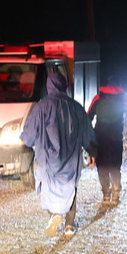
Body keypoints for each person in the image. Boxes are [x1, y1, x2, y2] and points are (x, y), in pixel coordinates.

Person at [20, 67, 96, 236]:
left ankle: (54, 215)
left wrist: (26, 142)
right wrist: (92, 152)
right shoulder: (76, 107)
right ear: (64, 86)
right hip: (71, 158)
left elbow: (28, 136)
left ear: (48, 87)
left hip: (48, 159)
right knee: (71, 188)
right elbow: (87, 132)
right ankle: (69, 225)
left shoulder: (41, 107)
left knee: (48, 188)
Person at [87, 79, 127, 206]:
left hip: (100, 138)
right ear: (119, 86)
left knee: (102, 166)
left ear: (107, 85)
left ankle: (106, 194)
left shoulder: (98, 98)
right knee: (115, 165)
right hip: (116, 139)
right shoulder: (123, 99)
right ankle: (116, 192)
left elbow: (88, 116)